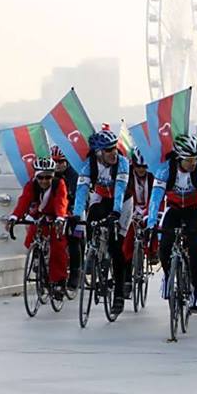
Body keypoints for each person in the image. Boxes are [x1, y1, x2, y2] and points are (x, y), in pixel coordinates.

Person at [145, 135, 197, 313]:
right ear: (179, 158)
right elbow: (155, 199)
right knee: (164, 244)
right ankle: (168, 275)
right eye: (190, 160)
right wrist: (151, 224)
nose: (193, 163)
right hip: (173, 208)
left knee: (194, 247)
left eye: (196, 158)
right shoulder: (165, 170)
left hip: (193, 210)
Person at [72, 129, 130, 316]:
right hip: (101, 197)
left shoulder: (122, 162)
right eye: (108, 150)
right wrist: (75, 215)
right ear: (98, 152)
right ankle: (94, 252)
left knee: (116, 248)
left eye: (114, 148)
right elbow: (81, 191)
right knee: (91, 219)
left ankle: (119, 294)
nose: (113, 152)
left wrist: (116, 213)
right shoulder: (88, 165)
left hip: (123, 202)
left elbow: (120, 190)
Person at [6, 158, 69, 299]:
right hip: (39, 215)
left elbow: (61, 202)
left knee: (58, 246)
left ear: (53, 176)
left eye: (48, 177)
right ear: (36, 176)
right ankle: (37, 258)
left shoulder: (59, 184)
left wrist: (60, 218)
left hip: (55, 215)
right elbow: (24, 200)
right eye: (41, 177)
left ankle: (59, 281)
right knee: (30, 238)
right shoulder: (31, 185)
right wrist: (15, 216)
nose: (44, 181)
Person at [121, 148, 156, 279]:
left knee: (153, 225)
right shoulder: (127, 175)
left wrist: (148, 212)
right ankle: (127, 276)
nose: (141, 170)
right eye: (138, 166)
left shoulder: (153, 176)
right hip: (131, 207)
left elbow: (156, 197)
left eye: (144, 167)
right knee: (128, 238)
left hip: (148, 207)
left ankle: (153, 251)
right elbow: (124, 195)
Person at [51, 146, 82, 290]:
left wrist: (72, 212)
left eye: (60, 162)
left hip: (75, 209)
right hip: (58, 212)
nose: (57, 165)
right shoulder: (48, 175)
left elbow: (78, 197)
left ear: (66, 162)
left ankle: (76, 272)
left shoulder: (74, 175)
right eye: (54, 161)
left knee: (75, 239)